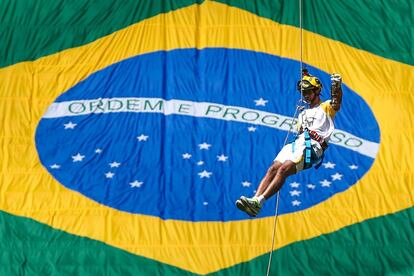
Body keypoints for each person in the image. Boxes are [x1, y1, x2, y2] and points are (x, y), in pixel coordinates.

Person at [236, 70, 343, 217]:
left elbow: (336, 102)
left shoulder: (325, 107)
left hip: (312, 145)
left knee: (284, 169)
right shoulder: (302, 113)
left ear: (317, 91)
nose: (305, 95)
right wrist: (306, 76)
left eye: (308, 92)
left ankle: (259, 202)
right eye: (303, 92)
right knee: (274, 168)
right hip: (297, 143)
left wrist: (336, 86)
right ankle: (254, 199)